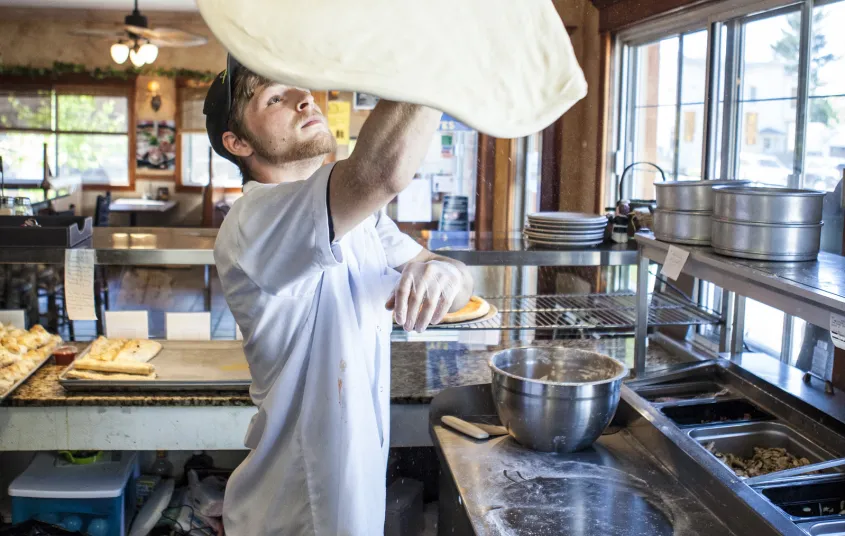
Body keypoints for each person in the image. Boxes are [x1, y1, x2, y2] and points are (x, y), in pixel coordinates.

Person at [205, 55, 474, 535]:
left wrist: (446, 276)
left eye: (298, 88)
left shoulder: (361, 220)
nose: (304, 99)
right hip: (294, 509)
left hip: (351, 492)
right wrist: (434, 49)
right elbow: (380, 174)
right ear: (237, 142)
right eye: (274, 98)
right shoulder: (255, 220)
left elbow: (457, 286)